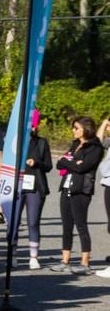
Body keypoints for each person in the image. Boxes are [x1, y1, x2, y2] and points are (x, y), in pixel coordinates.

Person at [3, 113, 51, 270]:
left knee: (33, 222)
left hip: (35, 186)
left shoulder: (42, 143)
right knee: (13, 221)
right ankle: (12, 255)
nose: (31, 128)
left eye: (33, 125)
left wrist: (36, 163)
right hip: (16, 185)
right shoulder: (14, 142)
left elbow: (49, 166)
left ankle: (33, 257)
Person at [56, 115, 101, 273]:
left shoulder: (95, 147)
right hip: (66, 188)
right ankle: (65, 261)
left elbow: (83, 168)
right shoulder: (75, 144)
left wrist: (69, 162)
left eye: (76, 128)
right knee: (66, 226)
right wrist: (72, 163)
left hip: (81, 190)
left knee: (81, 225)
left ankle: (85, 263)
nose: (73, 131)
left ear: (85, 129)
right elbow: (59, 163)